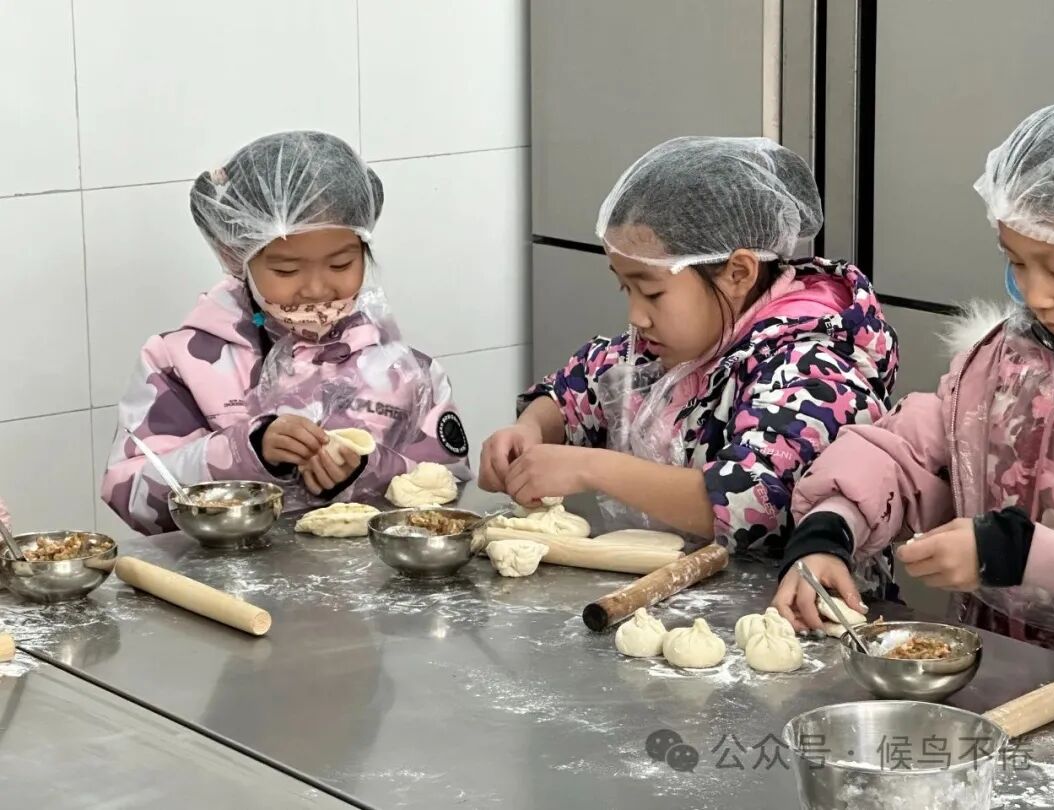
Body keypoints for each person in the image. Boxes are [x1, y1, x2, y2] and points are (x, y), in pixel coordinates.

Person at [479, 136, 898, 551]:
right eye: (626, 289)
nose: (636, 316)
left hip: (794, 591)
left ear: (738, 273)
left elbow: (753, 503)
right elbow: (578, 390)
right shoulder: (666, 348)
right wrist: (530, 428)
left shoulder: (814, 370)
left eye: (652, 292)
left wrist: (592, 468)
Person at [774, 100, 1054, 655]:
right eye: (1016, 262)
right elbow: (907, 452)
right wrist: (831, 526)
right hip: (1001, 671)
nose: (1036, 295)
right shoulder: (1003, 366)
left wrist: (1024, 554)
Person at [102, 131, 470, 534]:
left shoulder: (404, 373)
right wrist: (248, 452)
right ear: (236, 256)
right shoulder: (181, 364)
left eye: (341, 264)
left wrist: (364, 471)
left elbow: (448, 488)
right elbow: (131, 496)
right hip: (226, 572)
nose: (316, 288)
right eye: (286, 270)